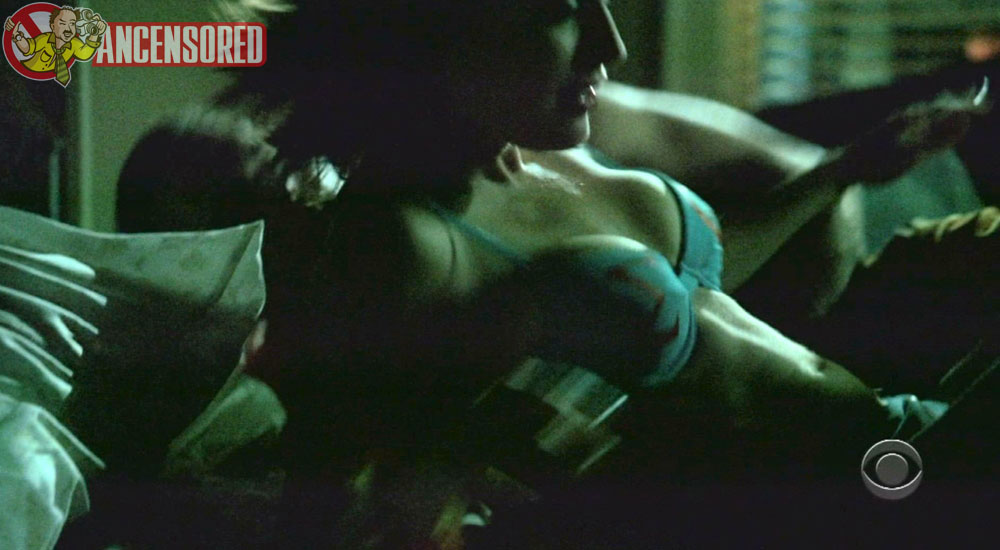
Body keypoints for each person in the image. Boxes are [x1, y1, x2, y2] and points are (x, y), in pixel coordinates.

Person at [115, 1, 997, 547]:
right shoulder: (401, 244)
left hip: (900, 434)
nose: (609, 43)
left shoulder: (553, 158)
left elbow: (691, 296)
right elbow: (377, 467)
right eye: (562, 11)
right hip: (862, 500)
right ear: (443, 36)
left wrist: (840, 173)